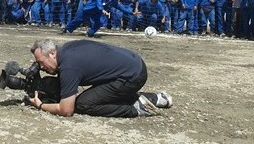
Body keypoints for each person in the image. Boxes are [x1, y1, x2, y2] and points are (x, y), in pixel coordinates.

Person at [27, 39, 172, 118]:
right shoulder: (66, 50)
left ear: (52, 54)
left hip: (133, 76)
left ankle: (136, 109)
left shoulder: (69, 66)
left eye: (41, 62)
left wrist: (40, 105)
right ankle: (156, 98)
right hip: (133, 64)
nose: (41, 67)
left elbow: (66, 110)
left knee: (83, 104)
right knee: (94, 95)